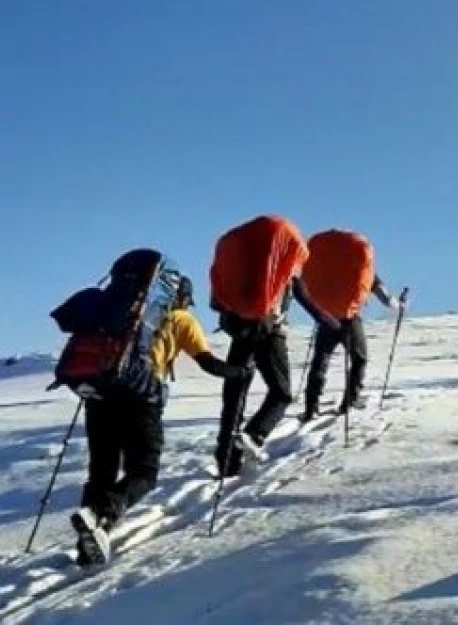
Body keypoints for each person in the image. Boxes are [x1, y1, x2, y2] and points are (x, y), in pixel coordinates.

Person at [63, 275, 250, 565]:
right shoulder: (181, 319)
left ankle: (91, 534)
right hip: (141, 400)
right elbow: (208, 363)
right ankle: (104, 515)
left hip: (99, 396)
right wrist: (240, 372)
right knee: (144, 471)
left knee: (102, 469)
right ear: (181, 297)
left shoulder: (119, 315)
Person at [209, 215, 340, 477]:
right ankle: (255, 435)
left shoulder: (245, 270)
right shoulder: (285, 269)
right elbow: (306, 301)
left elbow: (216, 303)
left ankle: (226, 461)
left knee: (235, 394)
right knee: (281, 393)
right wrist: (334, 324)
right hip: (270, 332)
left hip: (240, 331)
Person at [298, 229, 400, 422]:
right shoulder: (361, 269)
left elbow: (305, 283)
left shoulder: (324, 268)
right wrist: (398, 306)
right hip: (350, 319)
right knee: (358, 359)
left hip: (325, 317)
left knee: (320, 361)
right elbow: (384, 296)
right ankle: (349, 402)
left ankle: (311, 406)